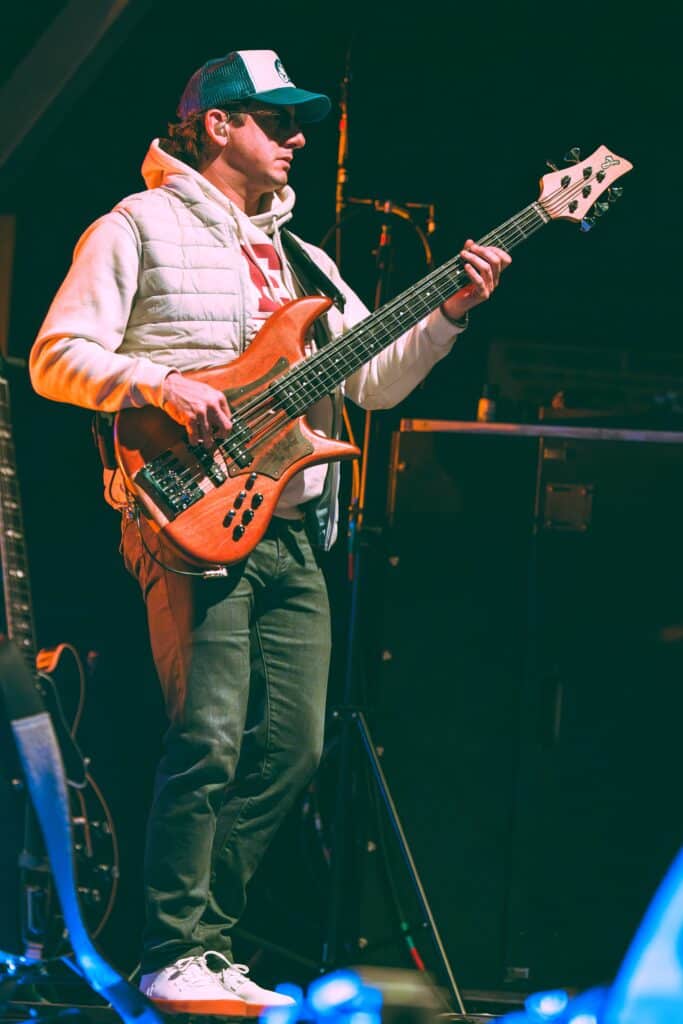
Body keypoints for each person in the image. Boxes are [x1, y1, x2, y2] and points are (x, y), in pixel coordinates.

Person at [29, 49, 511, 1016]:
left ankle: (200, 943)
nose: (297, 138)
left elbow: (372, 382)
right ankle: (173, 949)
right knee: (208, 738)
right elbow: (56, 355)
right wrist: (160, 383)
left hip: (286, 526)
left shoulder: (307, 262)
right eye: (276, 119)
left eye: (299, 122)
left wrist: (449, 312)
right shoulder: (137, 225)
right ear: (217, 124)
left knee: (291, 750)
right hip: (185, 515)